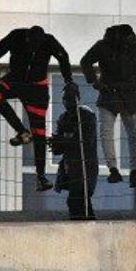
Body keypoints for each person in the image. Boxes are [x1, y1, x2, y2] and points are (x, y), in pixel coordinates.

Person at [0, 25, 76, 192]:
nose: (33, 49)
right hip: (15, 80)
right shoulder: (16, 36)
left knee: (39, 133)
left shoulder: (48, 40)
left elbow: (64, 57)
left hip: (37, 88)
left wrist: (69, 81)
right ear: (27, 38)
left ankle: (41, 176)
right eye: (30, 45)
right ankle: (22, 132)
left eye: (36, 47)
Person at [81, 24, 136, 188]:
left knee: (131, 134)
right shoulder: (107, 46)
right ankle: (115, 169)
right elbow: (85, 62)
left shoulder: (133, 44)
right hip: (114, 92)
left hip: (128, 92)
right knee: (111, 133)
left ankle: (132, 170)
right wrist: (94, 82)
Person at [49, 88, 98, 220]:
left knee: (80, 200)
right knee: (75, 201)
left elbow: (85, 141)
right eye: (65, 99)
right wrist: (55, 142)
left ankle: (87, 229)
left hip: (85, 166)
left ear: (77, 99)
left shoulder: (86, 115)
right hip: (70, 166)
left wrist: (64, 140)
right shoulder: (63, 117)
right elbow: (58, 149)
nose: (67, 102)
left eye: (70, 99)